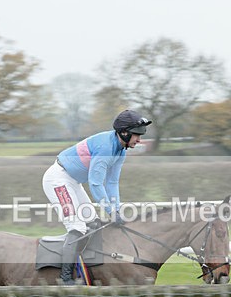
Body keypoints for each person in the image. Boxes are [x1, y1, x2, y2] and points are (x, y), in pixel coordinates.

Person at [42, 109, 151, 284]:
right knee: (77, 227)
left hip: (73, 181)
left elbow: (112, 183)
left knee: (92, 223)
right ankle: (65, 277)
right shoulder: (106, 148)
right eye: (137, 135)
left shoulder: (120, 150)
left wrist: (116, 209)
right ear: (124, 132)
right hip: (58, 180)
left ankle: (86, 269)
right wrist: (110, 210)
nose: (139, 140)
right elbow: (95, 183)